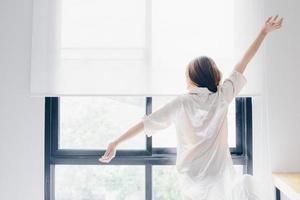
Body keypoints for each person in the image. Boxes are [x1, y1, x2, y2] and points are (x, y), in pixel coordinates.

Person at [99, 15, 283, 199]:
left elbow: (146, 123)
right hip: (218, 176)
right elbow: (242, 64)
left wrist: (116, 142)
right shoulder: (222, 96)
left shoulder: (182, 102)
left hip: (191, 178)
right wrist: (263, 32)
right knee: (244, 184)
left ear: (192, 77)